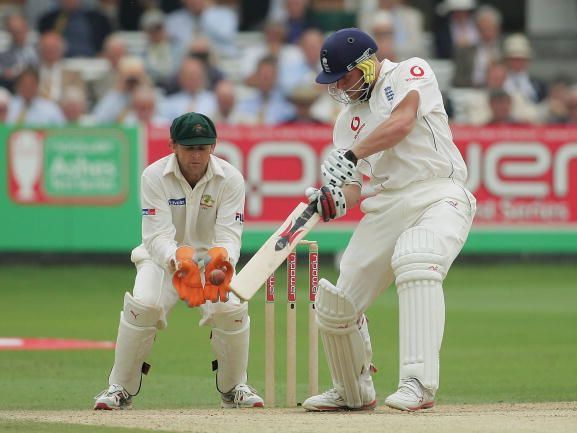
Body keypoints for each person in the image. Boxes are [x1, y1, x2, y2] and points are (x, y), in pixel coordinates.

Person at [302, 28, 476, 412]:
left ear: (365, 64)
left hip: (438, 191)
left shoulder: (410, 72)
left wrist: (349, 156)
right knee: (335, 304)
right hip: (386, 203)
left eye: (345, 78)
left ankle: (418, 384)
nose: (341, 89)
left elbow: (402, 123)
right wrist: (333, 200)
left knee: (417, 259)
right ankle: (352, 390)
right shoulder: (346, 122)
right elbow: (351, 188)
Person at [94, 112, 264, 410]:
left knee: (232, 307)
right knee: (144, 304)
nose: (196, 155)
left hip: (209, 263)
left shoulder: (231, 178)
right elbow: (156, 236)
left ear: (213, 146)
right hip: (162, 261)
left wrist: (221, 261)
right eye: (189, 148)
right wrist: (177, 259)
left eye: (202, 147)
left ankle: (234, 386)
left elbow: (229, 235)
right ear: (173, 145)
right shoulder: (154, 176)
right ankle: (118, 387)